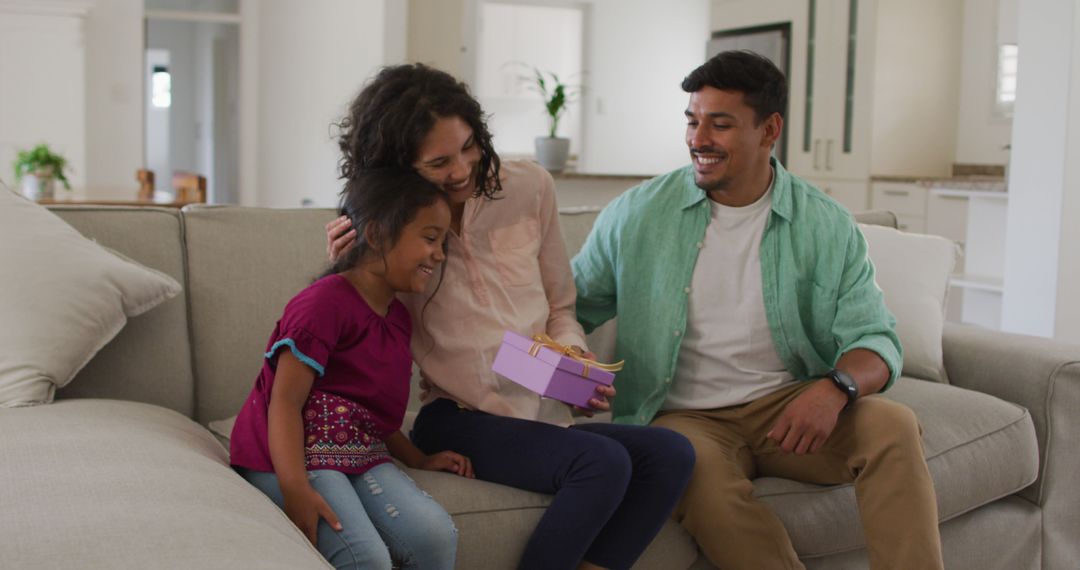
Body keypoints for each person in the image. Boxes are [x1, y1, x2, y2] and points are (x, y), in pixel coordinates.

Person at [571, 50, 945, 570]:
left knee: (894, 426)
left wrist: (834, 390)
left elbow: (876, 339)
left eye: (719, 124)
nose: (698, 139)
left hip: (786, 408)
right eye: (693, 120)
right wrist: (544, 374)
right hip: (683, 418)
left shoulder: (825, 224)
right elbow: (564, 307)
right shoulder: (637, 215)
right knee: (690, 470)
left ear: (769, 130)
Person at [326, 63, 695, 570]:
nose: (460, 170)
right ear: (397, 166)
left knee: (670, 454)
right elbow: (355, 327)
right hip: (456, 416)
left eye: (467, 147)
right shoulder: (390, 226)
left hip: (541, 405)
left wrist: (576, 366)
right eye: (438, 162)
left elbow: (561, 307)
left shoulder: (530, 188)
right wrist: (346, 269)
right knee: (602, 463)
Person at [231, 169, 470, 570]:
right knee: (366, 559)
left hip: (358, 451)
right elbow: (285, 403)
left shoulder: (397, 319)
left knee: (434, 536)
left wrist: (417, 458)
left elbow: (372, 409)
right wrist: (295, 489)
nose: (440, 254)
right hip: (289, 455)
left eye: (442, 242)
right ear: (376, 235)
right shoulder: (323, 304)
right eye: (430, 239)